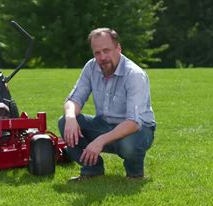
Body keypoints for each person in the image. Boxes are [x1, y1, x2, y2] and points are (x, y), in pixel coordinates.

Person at [58, 28, 156, 181]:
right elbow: (74, 99)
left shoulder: (134, 75)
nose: (102, 57)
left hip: (138, 130)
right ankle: (92, 170)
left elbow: (134, 123)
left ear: (118, 48)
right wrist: (70, 118)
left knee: (128, 143)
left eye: (106, 51)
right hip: (104, 125)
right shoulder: (91, 67)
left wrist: (100, 141)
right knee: (64, 122)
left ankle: (135, 175)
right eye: (97, 53)